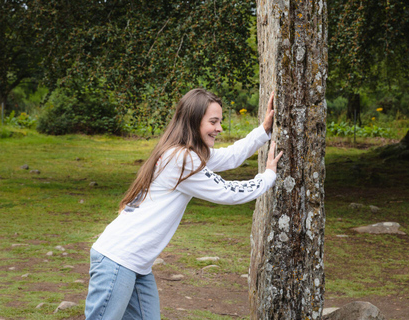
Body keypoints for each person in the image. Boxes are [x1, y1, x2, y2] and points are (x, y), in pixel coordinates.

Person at [85, 88, 283, 320]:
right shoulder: (181, 159)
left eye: (220, 121)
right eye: (213, 121)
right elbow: (228, 192)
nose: (219, 128)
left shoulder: (186, 153)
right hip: (118, 259)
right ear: (193, 121)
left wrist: (263, 131)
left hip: (137, 265)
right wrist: (268, 176)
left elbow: (230, 156)